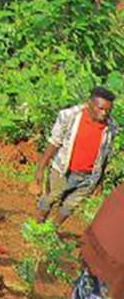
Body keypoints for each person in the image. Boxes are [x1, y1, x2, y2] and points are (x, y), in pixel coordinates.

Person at [39, 87, 118, 229]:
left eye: (108, 110)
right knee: (51, 198)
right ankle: (38, 224)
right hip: (63, 168)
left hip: (88, 176)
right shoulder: (69, 116)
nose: (104, 113)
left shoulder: (111, 127)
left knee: (70, 206)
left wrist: (100, 181)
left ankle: (51, 230)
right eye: (101, 109)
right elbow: (54, 142)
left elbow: (105, 155)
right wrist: (40, 168)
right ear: (90, 104)